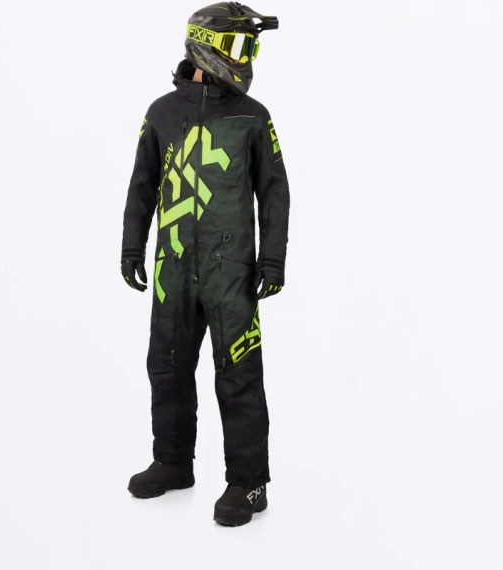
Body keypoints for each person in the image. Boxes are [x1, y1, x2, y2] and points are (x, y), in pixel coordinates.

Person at [120, 1, 290, 527]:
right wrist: (131, 247)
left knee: (238, 374)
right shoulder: (161, 113)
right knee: (167, 367)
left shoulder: (253, 117)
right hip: (171, 268)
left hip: (230, 271)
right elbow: (142, 185)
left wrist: (272, 259)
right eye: (238, 45)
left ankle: (248, 483)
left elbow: (274, 190)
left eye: (249, 47)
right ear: (206, 45)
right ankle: (173, 462)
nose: (245, 57)